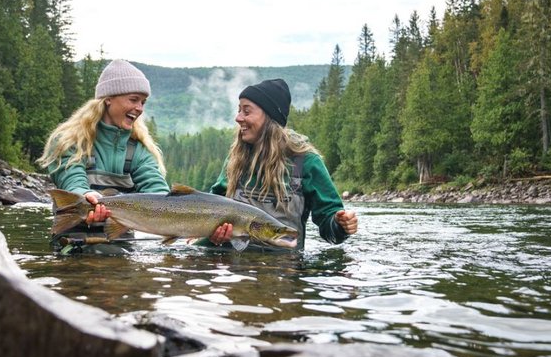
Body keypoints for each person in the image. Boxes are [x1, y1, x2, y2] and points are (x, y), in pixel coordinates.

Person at [206, 78, 358, 250]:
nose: (238, 118)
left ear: (270, 118)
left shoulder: (307, 162)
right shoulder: (235, 161)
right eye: (239, 110)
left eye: (246, 112)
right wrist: (213, 236)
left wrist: (341, 226)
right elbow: (211, 210)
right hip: (233, 272)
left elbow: (330, 228)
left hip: (284, 270)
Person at [38, 59, 169, 253]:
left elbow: (158, 192)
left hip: (121, 243)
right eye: (133, 100)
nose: (140, 108)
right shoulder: (69, 140)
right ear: (108, 99)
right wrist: (85, 197)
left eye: (143, 102)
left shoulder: (139, 150)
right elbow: (72, 179)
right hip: (73, 240)